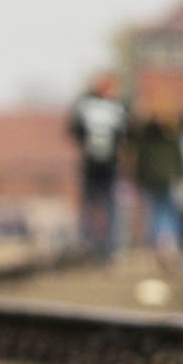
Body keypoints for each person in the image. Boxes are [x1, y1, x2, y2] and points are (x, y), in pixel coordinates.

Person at [68, 73, 128, 259]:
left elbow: (74, 130)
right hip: (96, 164)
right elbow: (124, 132)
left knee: (103, 205)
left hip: (102, 164)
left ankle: (102, 245)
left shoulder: (87, 105)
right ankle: (91, 243)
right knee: (96, 204)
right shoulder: (114, 107)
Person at [129, 96, 183, 271]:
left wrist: (137, 177)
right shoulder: (173, 131)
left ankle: (158, 246)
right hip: (169, 176)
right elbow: (179, 155)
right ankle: (169, 245)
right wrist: (181, 174)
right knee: (169, 210)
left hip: (152, 177)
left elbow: (141, 156)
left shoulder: (146, 132)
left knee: (156, 210)